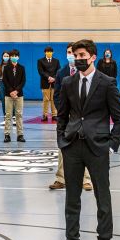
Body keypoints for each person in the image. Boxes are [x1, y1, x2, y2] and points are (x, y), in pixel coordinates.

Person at [53, 39, 120, 240]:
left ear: (93, 57)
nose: (78, 59)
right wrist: (61, 141)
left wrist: (111, 145)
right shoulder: (67, 82)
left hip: (98, 148)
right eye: (76, 55)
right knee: (71, 197)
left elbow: (119, 118)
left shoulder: (107, 82)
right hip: (72, 146)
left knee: (102, 197)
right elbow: (62, 115)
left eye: (82, 55)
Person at [50, 42, 92, 191]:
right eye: (69, 53)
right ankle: (60, 178)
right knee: (62, 147)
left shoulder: (86, 72)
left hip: (82, 117)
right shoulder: (61, 73)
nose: (72, 56)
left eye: (74, 53)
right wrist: (63, 111)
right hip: (66, 117)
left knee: (85, 146)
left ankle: (86, 180)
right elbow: (56, 95)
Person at [2, 49, 26, 143]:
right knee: (8, 115)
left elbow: (23, 81)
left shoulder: (22, 68)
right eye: (12, 56)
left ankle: (20, 135)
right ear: (10, 57)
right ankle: (7, 134)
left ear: (18, 57)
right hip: (8, 95)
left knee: (19, 115)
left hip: (19, 95)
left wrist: (16, 91)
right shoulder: (6, 68)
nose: (14, 57)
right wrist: (11, 91)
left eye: (16, 56)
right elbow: (5, 80)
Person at [37, 46, 61, 122]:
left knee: (54, 99)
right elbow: (41, 72)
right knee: (46, 100)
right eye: (47, 51)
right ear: (45, 52)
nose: (49, 53)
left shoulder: (56, 61)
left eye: (50, 51)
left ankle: (54, 115)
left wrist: (54, 78)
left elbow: (59, 70)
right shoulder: (40, 61)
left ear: (53, 52)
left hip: (54, 83)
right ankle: (45, 115)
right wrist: (48, 77)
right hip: (45, 82)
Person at [0, 51, 10, 125]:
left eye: (7, 56)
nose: (6, 57)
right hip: (1, 84)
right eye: (5, 56)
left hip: (10, 84)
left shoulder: (11, 65)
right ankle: (5, 118)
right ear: (2, 57)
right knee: (4, 101)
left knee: (11, 101)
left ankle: (13, 118)